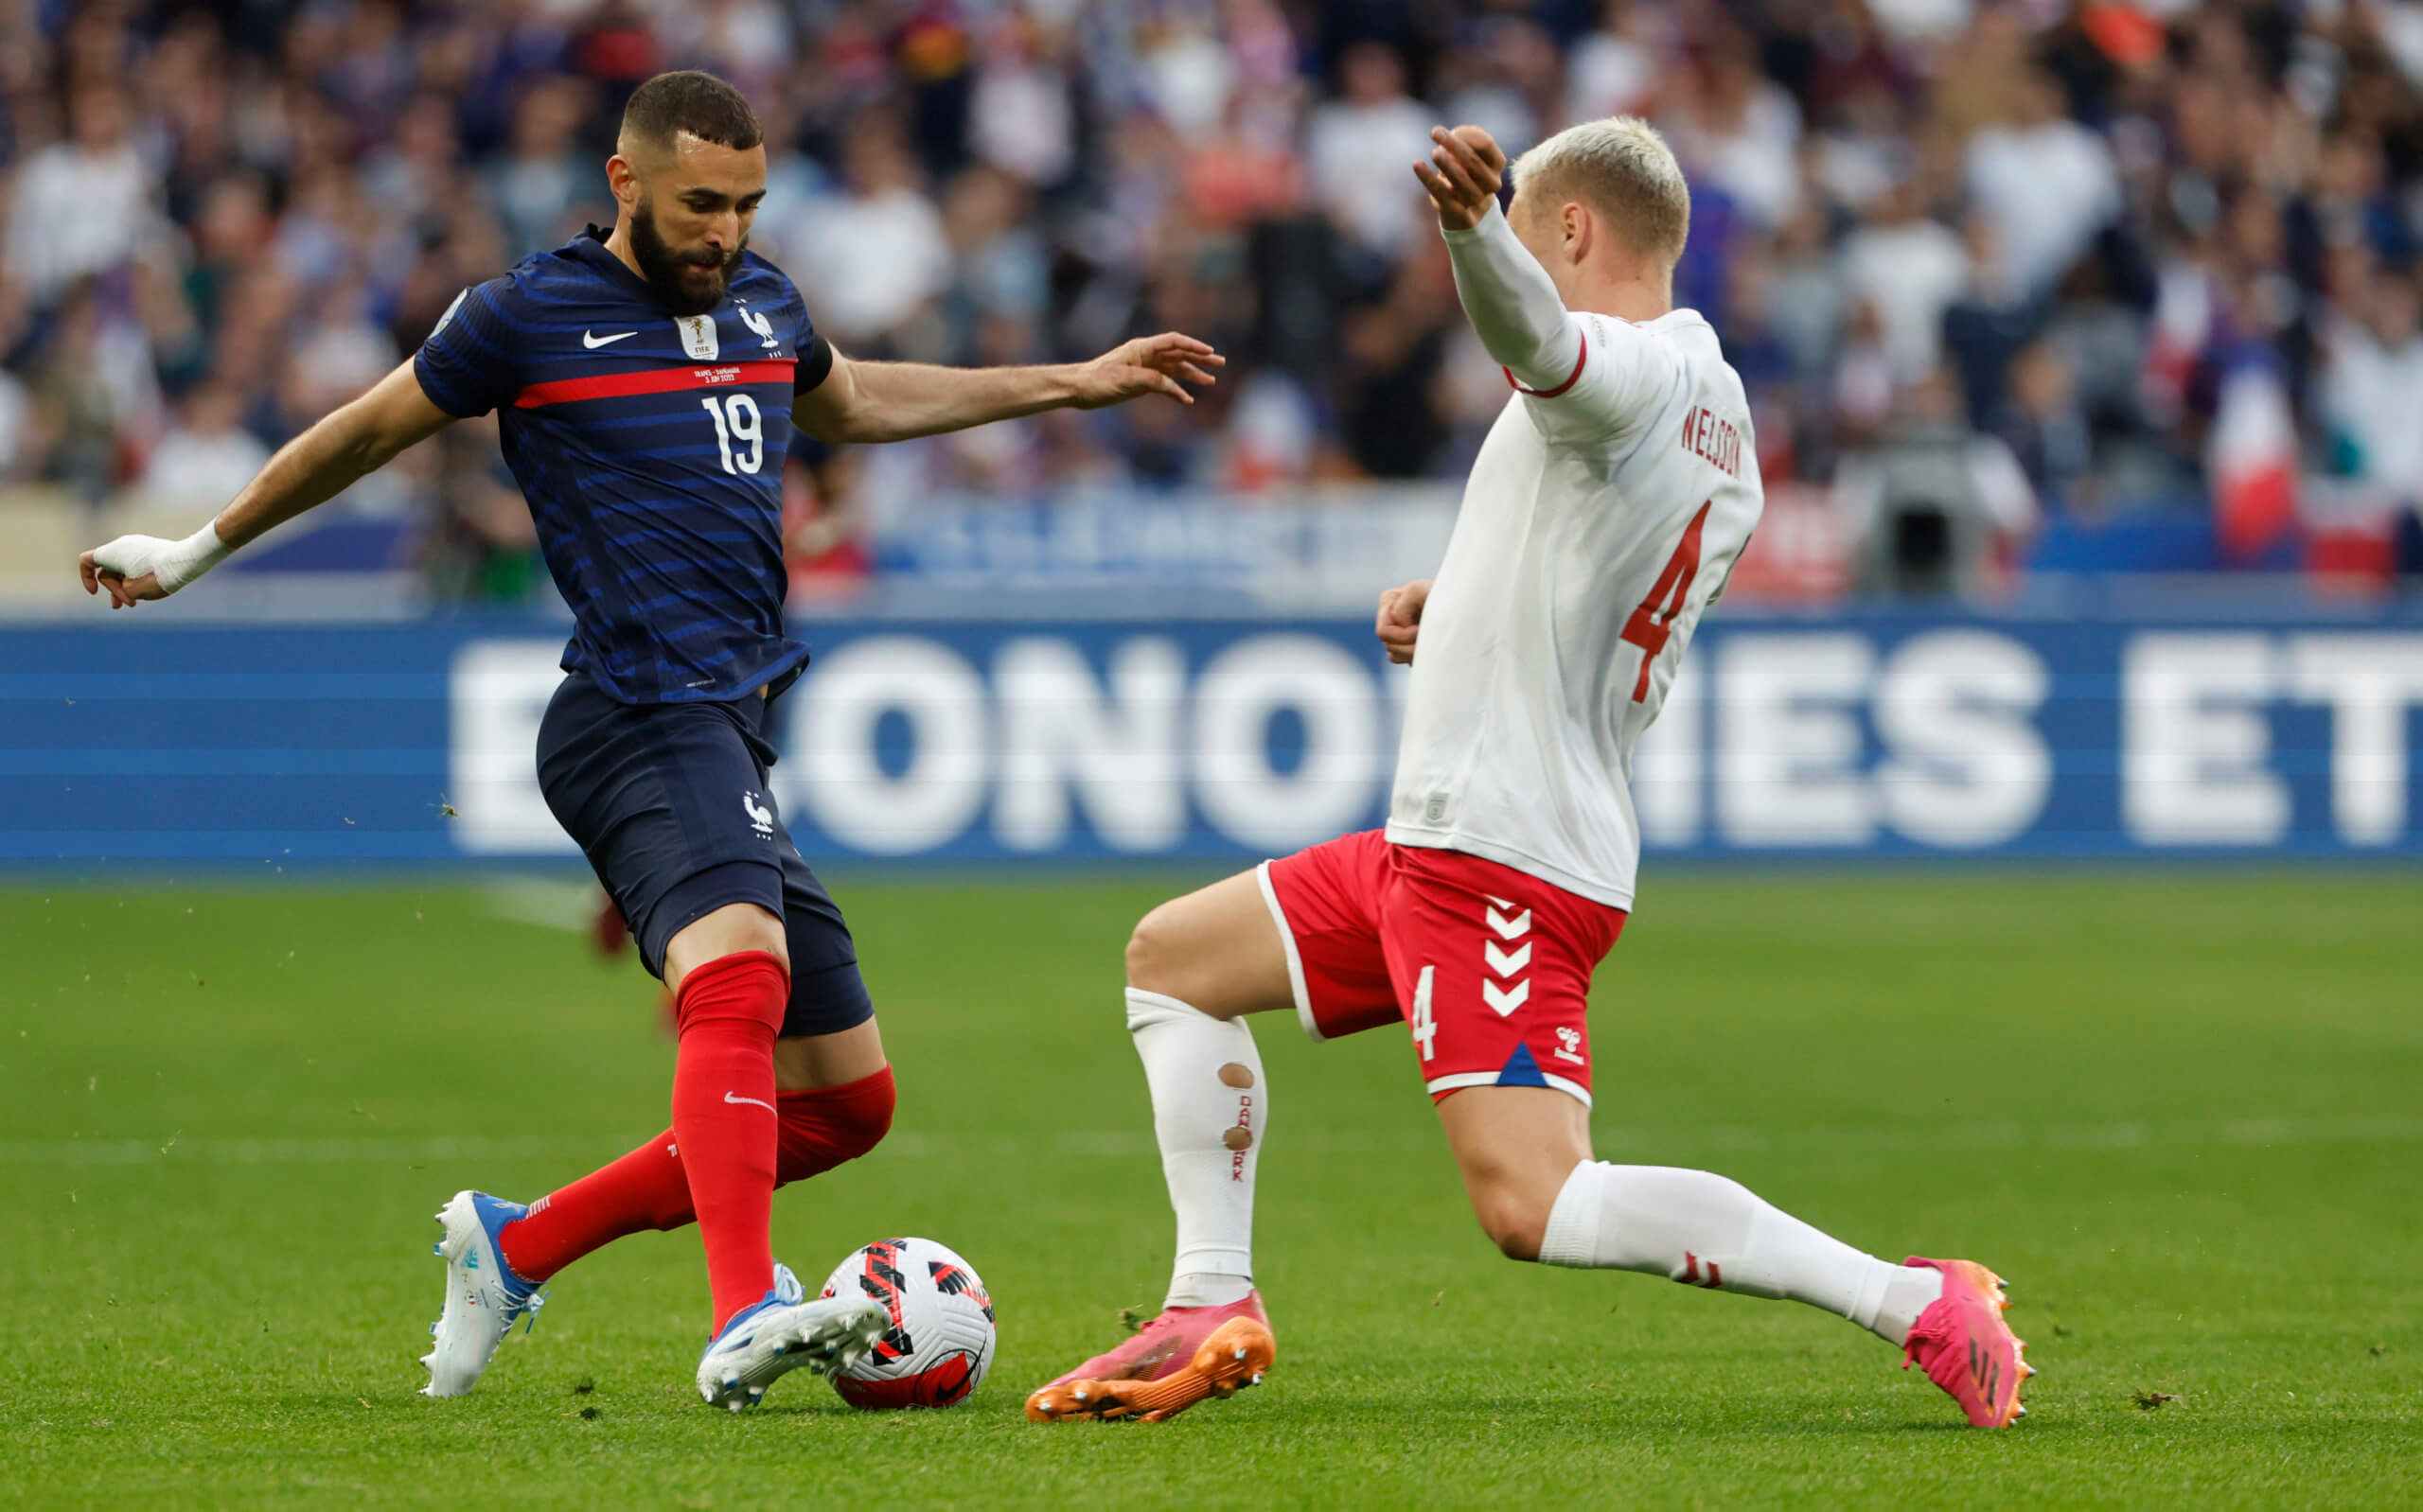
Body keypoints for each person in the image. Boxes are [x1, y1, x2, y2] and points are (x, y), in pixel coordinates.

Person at [77, 69, 1223, 1413]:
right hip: (631, 709)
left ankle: (520, 1242)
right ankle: (748, 1307)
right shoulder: (527, 313)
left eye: (744, 203)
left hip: (730, 726)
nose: (724, 230)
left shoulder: (764, 299)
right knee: (737, 971)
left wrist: (1073, 384)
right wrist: (198, 548)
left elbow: (852, 402)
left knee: (847, 1103)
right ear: (624, 183)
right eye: (698, 204)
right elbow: (364, 432)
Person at [1024, 119, 2030, 1430]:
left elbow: (1549, 355)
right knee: (1173, 959)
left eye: (1529, 233)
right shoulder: (1719, 413)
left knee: (1536, 1202)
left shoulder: (1629, 368)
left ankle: (1915, 1301)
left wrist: (1465, 228)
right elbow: (1603, 579)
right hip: (1450, 832)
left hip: (1502, 850)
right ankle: (1212, 1296)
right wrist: (1460, 606)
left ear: (1567, 232)